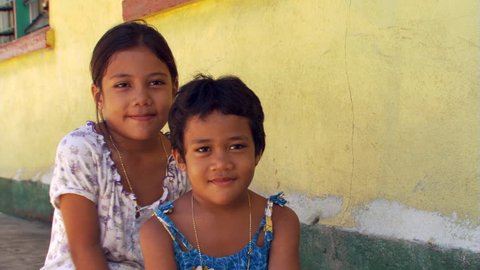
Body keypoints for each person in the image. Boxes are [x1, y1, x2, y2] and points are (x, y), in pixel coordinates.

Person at [42, 21, 189, 269]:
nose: (141, 98)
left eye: (155, 83)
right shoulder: (82, 150)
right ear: (99, 96)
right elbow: (84, 249)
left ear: (174, 87)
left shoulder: (183, 157)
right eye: (123, 85)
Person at [140, 74, 300, 270]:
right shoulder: (160, 232)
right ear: (181, 158)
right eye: (204, 149)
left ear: (257, 151)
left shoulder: (278, 222)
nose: (221, 163)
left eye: (236, 146)